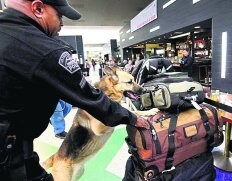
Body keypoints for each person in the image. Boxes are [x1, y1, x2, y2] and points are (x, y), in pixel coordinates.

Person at [0, 0, 148, 180]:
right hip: (9, 155)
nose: (62, 23)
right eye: (59, 16)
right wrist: (132, 117)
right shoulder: (42, 48)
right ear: (38, 8)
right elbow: (88, 97)